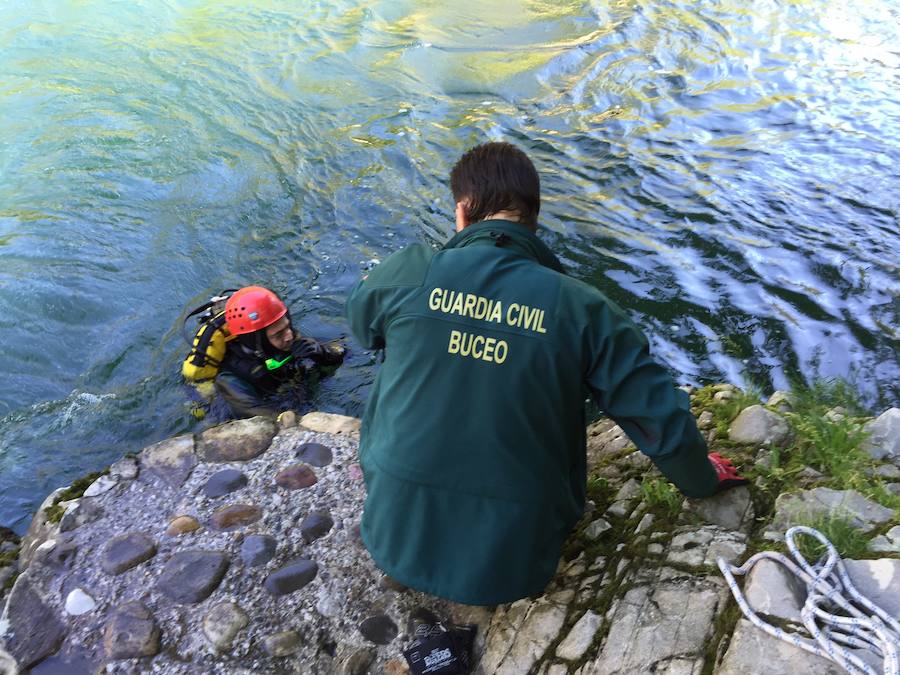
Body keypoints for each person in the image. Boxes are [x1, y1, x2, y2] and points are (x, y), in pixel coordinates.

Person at [344, 142, 746, 605]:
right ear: (534, 217)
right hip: (514, 567)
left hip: (390, 539)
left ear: (461, 211)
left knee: (396, 344)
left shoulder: (410, 271)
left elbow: (362, 325)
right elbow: (657, 414)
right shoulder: (585, 308)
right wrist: (702, 480)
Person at [182, 286, 345, 419]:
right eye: (279, 334)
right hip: (233, 406)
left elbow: (343, 352)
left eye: (287, 326)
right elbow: (266, 418)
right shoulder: (230, 381)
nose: (289, 336)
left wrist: (322, 352)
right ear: (255, 341)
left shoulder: (280, 337)